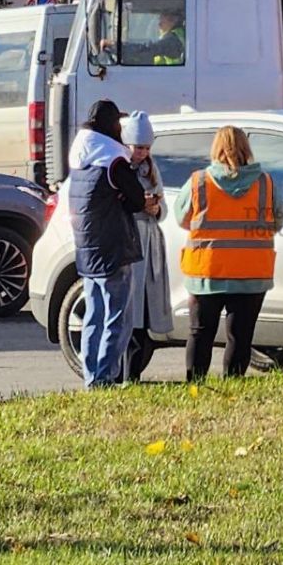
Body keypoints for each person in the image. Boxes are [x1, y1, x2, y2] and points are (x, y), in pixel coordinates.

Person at [174, 126, 283, 380]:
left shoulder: (199, 181)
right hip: (252, 272)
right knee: (240, 336)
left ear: (216, 148)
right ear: (247, 148)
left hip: (207, 272)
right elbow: (277, 221)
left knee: (200, 334)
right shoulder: (265, 183)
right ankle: (233, 385)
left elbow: (182, 217)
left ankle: (195, 388)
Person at [66, 99, 145, 387]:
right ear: (111, 125)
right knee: (117, 318)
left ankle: (91, 378)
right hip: (113, 249)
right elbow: (136, 199)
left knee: (94, 317)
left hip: (87, 251)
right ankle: (106, 378)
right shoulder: (113, 160)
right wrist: (126, 196)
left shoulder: (79, 160)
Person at [121, 111, 174, 379]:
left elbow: (163, 205)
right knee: (129, 312)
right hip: (129, 243)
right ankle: (122, 373)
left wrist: (155, 208)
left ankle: (134, 373)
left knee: (144, 313)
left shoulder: (151, 169)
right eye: (138, 147)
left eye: (146, 148)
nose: (142, 153)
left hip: (149, 241)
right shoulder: (118, 166)